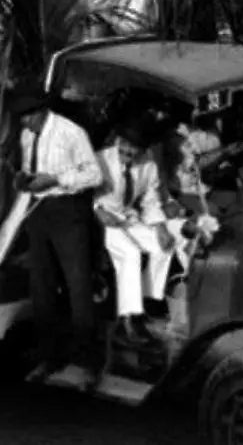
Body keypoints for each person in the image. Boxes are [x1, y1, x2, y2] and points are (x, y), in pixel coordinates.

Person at [12, 90, 104, 388]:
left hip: (68, 209)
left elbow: (94, 174)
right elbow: (30, 167)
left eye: (28, 117)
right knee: (42, 286)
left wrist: (57, 180)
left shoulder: (70, 132)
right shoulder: (27, 135)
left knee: (78, 286)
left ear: (40, 112)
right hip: (39, 209)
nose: (25, 124)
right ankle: (48, 357)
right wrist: (24, 178)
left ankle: (85, 362)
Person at [94, 117, 176, 344]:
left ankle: (143, 301)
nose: (128, 151)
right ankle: (128, 319)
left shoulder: (148, 164)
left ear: (143, 149)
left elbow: (150, 200)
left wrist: (160, 227)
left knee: (165, 246)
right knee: (130, 254)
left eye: (134, 148)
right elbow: (87, 193)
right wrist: (97, 209)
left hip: (128, 217)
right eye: (125, 145)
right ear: (117, 140)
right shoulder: (100, 159)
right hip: (104, 221)